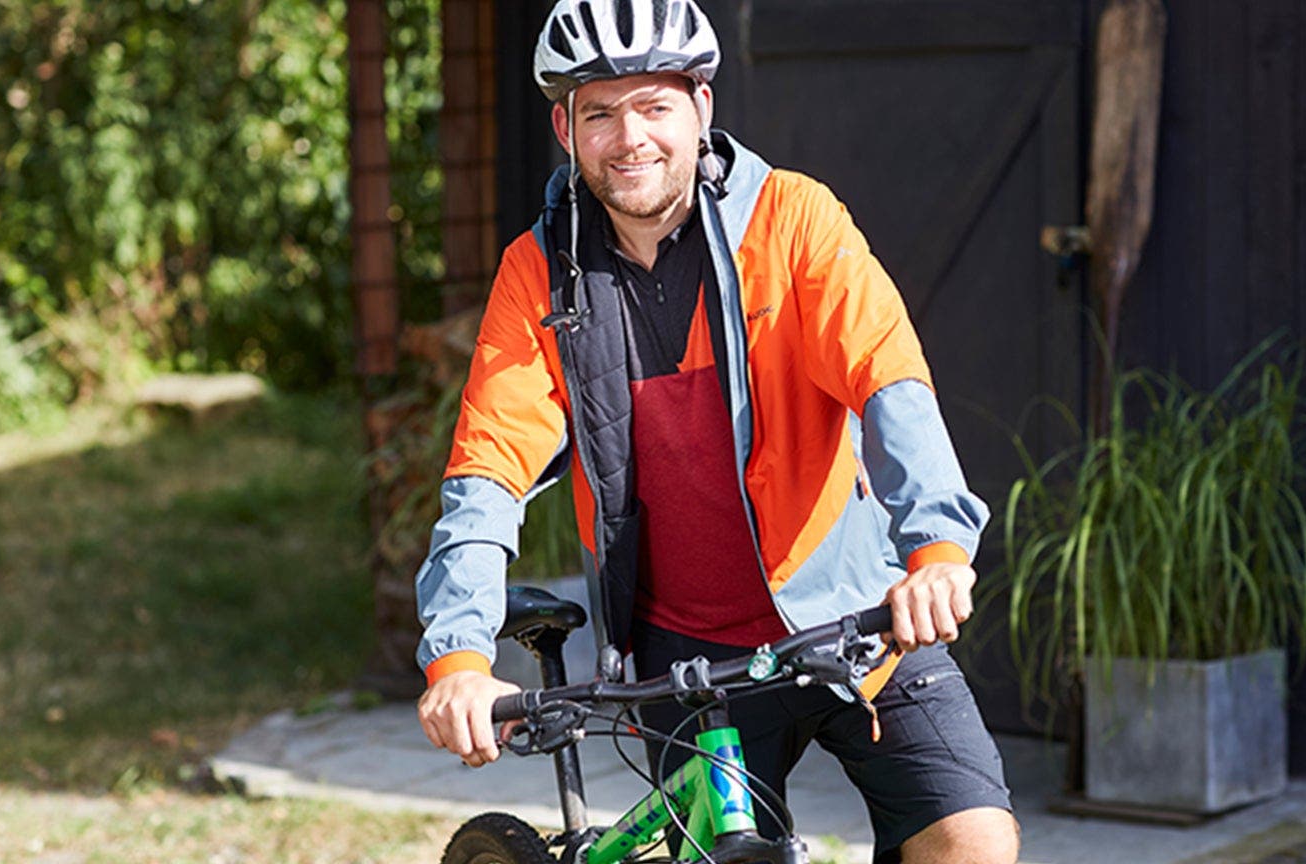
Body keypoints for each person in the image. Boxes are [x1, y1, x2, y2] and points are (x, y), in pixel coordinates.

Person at [414, 1, 1019, 861]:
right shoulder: (539, 272)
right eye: (600, 112)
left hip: (851, 620)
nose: (631, 138)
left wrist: (936, 554)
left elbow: (889, 381)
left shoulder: (794, 219)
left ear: (700, 106)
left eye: (655, 106)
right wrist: (459, 660)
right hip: (691, 665)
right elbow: (487, 472)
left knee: (973, 842)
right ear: (564, 127)